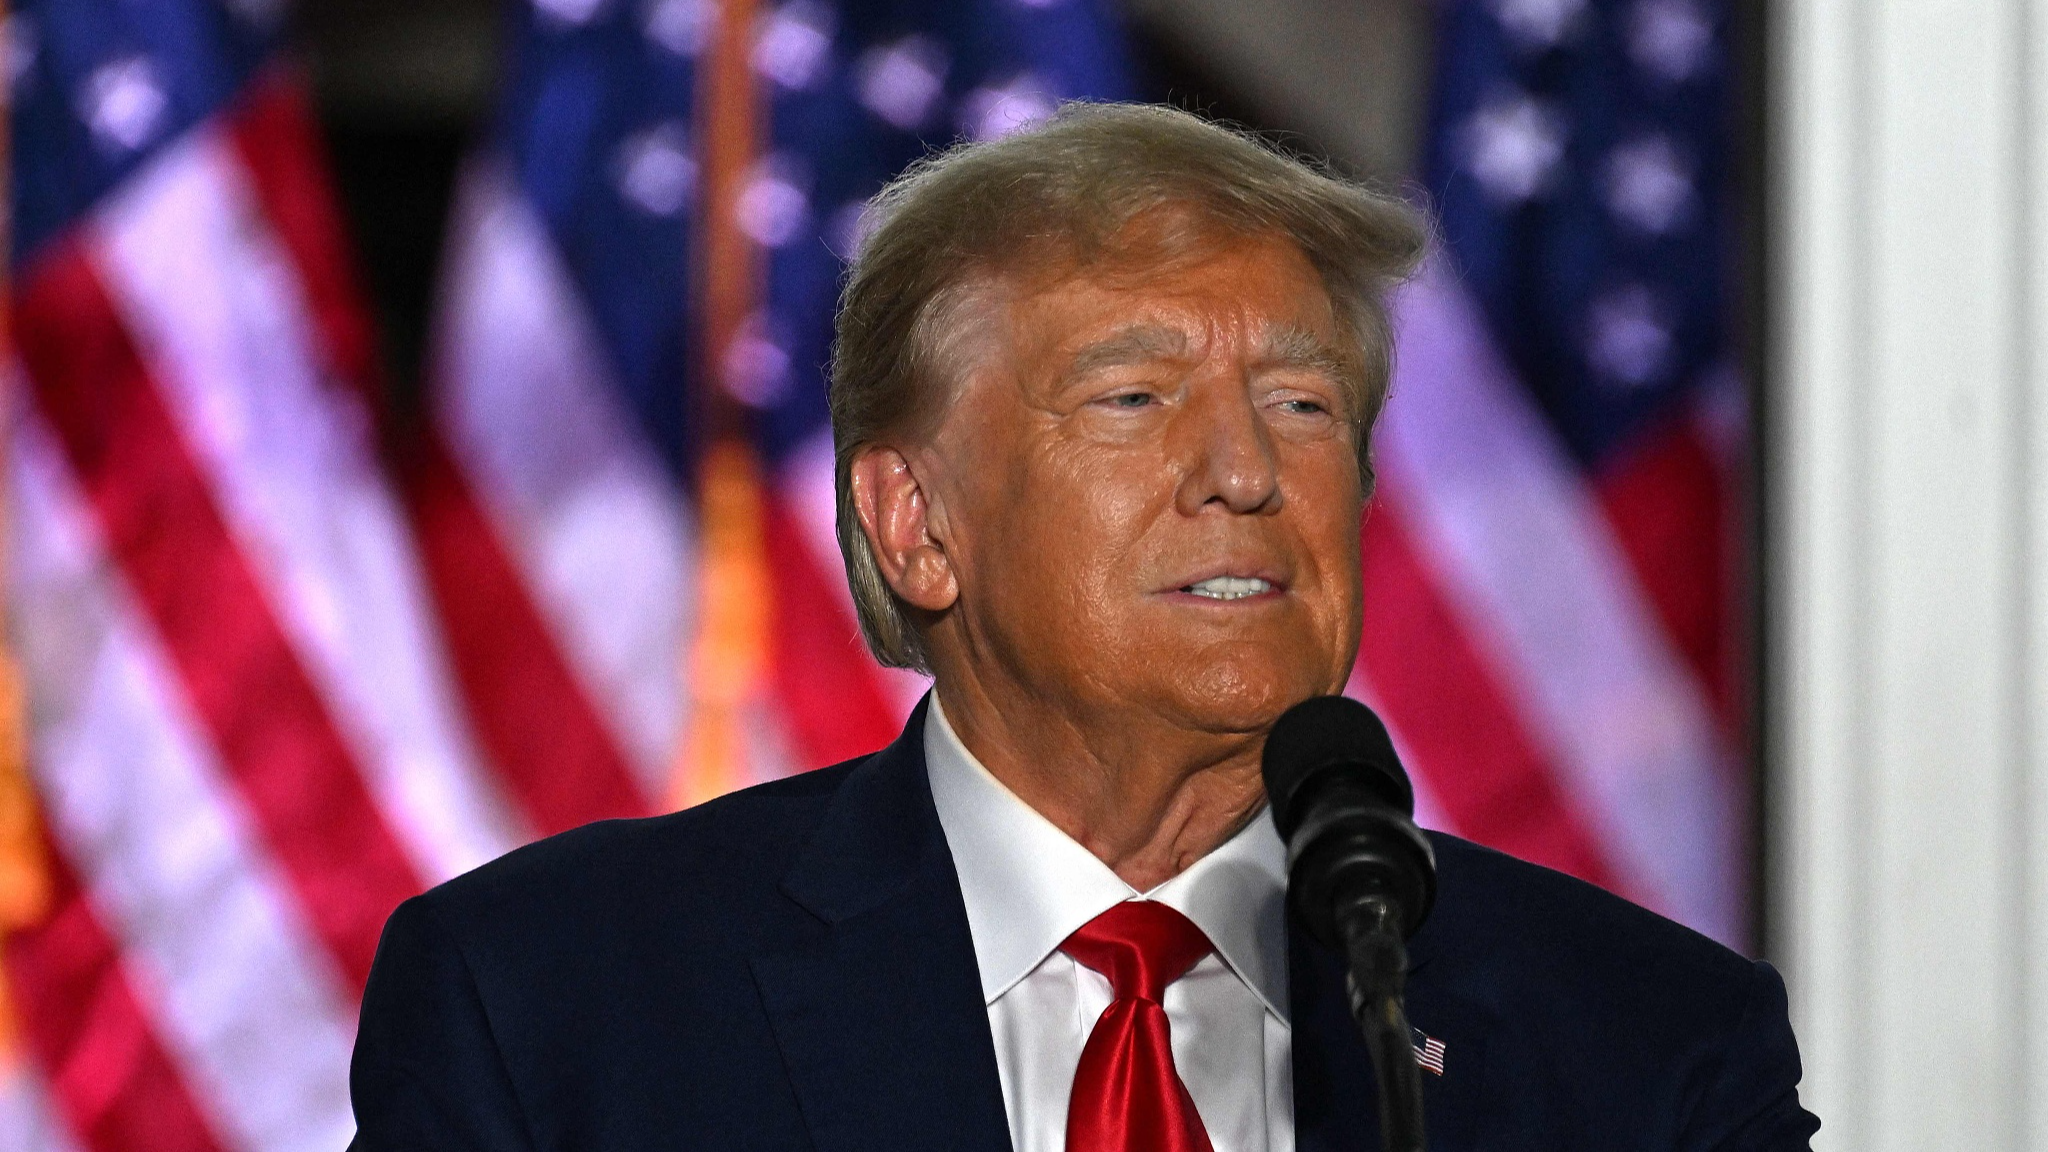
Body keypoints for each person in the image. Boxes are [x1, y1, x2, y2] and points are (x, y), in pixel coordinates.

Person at [347, 103, 1820, 1152]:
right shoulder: (551, 1012)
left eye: (1304, 406)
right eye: (1133, 399)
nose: (1248, 471)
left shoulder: (1651, 1052)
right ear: (919, 522)